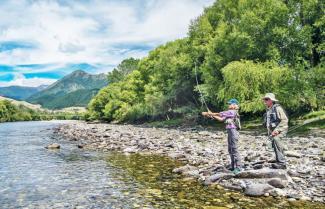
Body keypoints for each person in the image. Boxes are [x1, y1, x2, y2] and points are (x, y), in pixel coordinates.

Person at [202, 99, 242, 174]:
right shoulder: (229, 113)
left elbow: (221, 114)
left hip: (233, 132)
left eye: (230, 104)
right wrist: (210, 114)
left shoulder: (232, 112)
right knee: (230, 149)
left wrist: (209, 113)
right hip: (230, 132)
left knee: (234, 149)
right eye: (229, 104)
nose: (229, 105)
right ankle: (233, 166)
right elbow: (221, 119)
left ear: (234, 105)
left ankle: (239, 168)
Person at [262, 93, 288, 169]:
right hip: (273, 131)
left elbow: (284, 120)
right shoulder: (268, 109)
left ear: (271, 100)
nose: (265, 101)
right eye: (264, 99)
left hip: (281, 130)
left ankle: (282, 163)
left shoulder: (277, 108)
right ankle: (279, 161)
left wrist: (277, 130)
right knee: (274, 143)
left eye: (266, 99)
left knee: (277, 140)